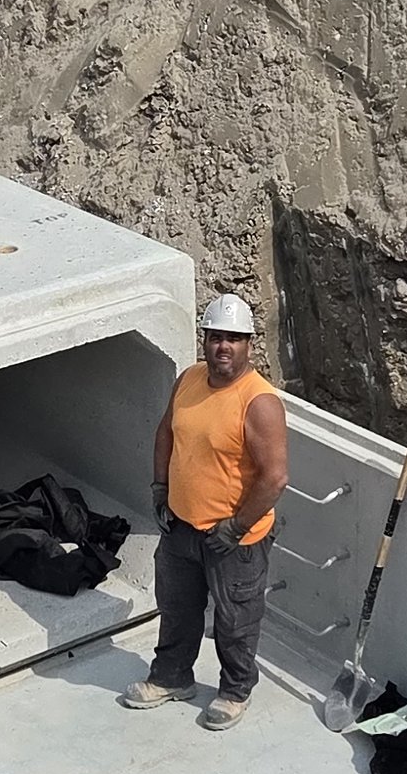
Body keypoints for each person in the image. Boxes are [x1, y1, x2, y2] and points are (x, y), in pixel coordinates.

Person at [119, 293, 289, 732]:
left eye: (234, 339)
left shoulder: (259, 402)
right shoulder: (190, 380)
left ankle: (235, 690)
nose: (223, 347)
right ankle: (172, 677)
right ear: (205, 340)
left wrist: (235, 527)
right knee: (177, 608)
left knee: (235, 619)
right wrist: (161, 489)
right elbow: (165, 434)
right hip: (180, 527)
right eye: (216, 337)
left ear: (249, 345)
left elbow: (273, 478)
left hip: (234, 540)